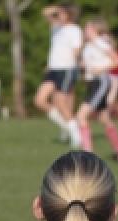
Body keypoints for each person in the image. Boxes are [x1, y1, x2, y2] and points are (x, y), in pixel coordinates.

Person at [77, 20, 118, 161]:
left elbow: (117, 60)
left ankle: (88, 155)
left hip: (100, 82)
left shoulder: (100, 42)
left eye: (87, 27)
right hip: (93, 83)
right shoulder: (88, 45)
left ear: (95, 29)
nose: (85, 30)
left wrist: (101, 68)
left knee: (81, 116)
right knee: (103, 118)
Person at [35, 5, 83, 148]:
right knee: (40, 100)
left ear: (69, 15)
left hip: (66, 69)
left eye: (62, 13)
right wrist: (57, 9)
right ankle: (68, 127)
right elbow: (45, 12)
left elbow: (77, 50)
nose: (58, 16)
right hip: (53, 70)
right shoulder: (56, 28)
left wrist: (75, 66)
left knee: (61, 102)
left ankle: (75, 133)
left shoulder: (74, 30)